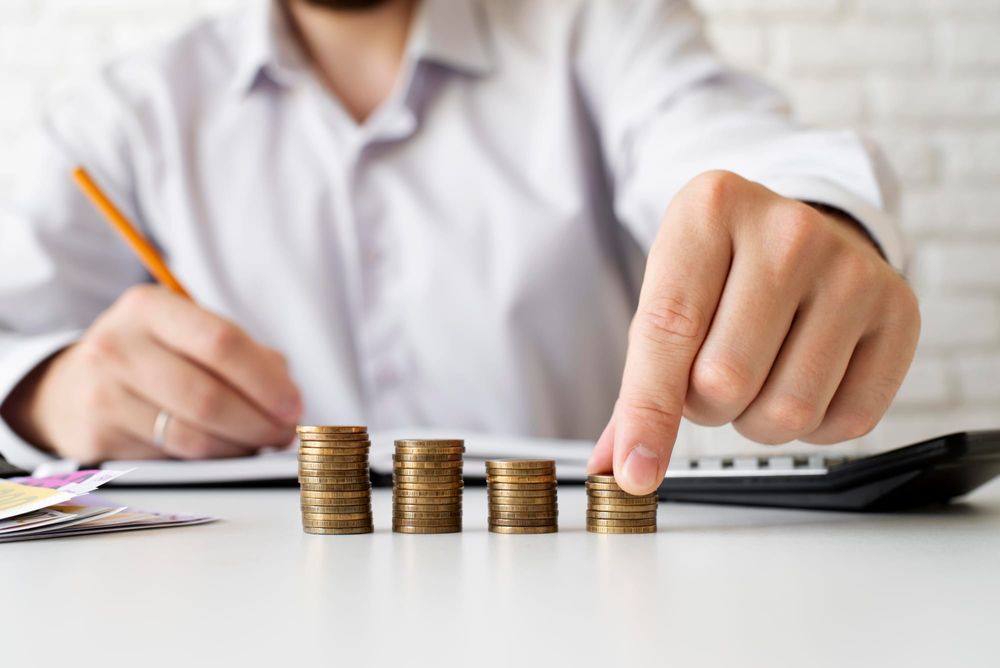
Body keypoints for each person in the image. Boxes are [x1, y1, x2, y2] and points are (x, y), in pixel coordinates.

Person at [0, 0, 920, 496]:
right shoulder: (125, 112)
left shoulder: (603, 28)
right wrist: (45, 394)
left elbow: (738, 150)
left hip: (582, 603)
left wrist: (811, 223)